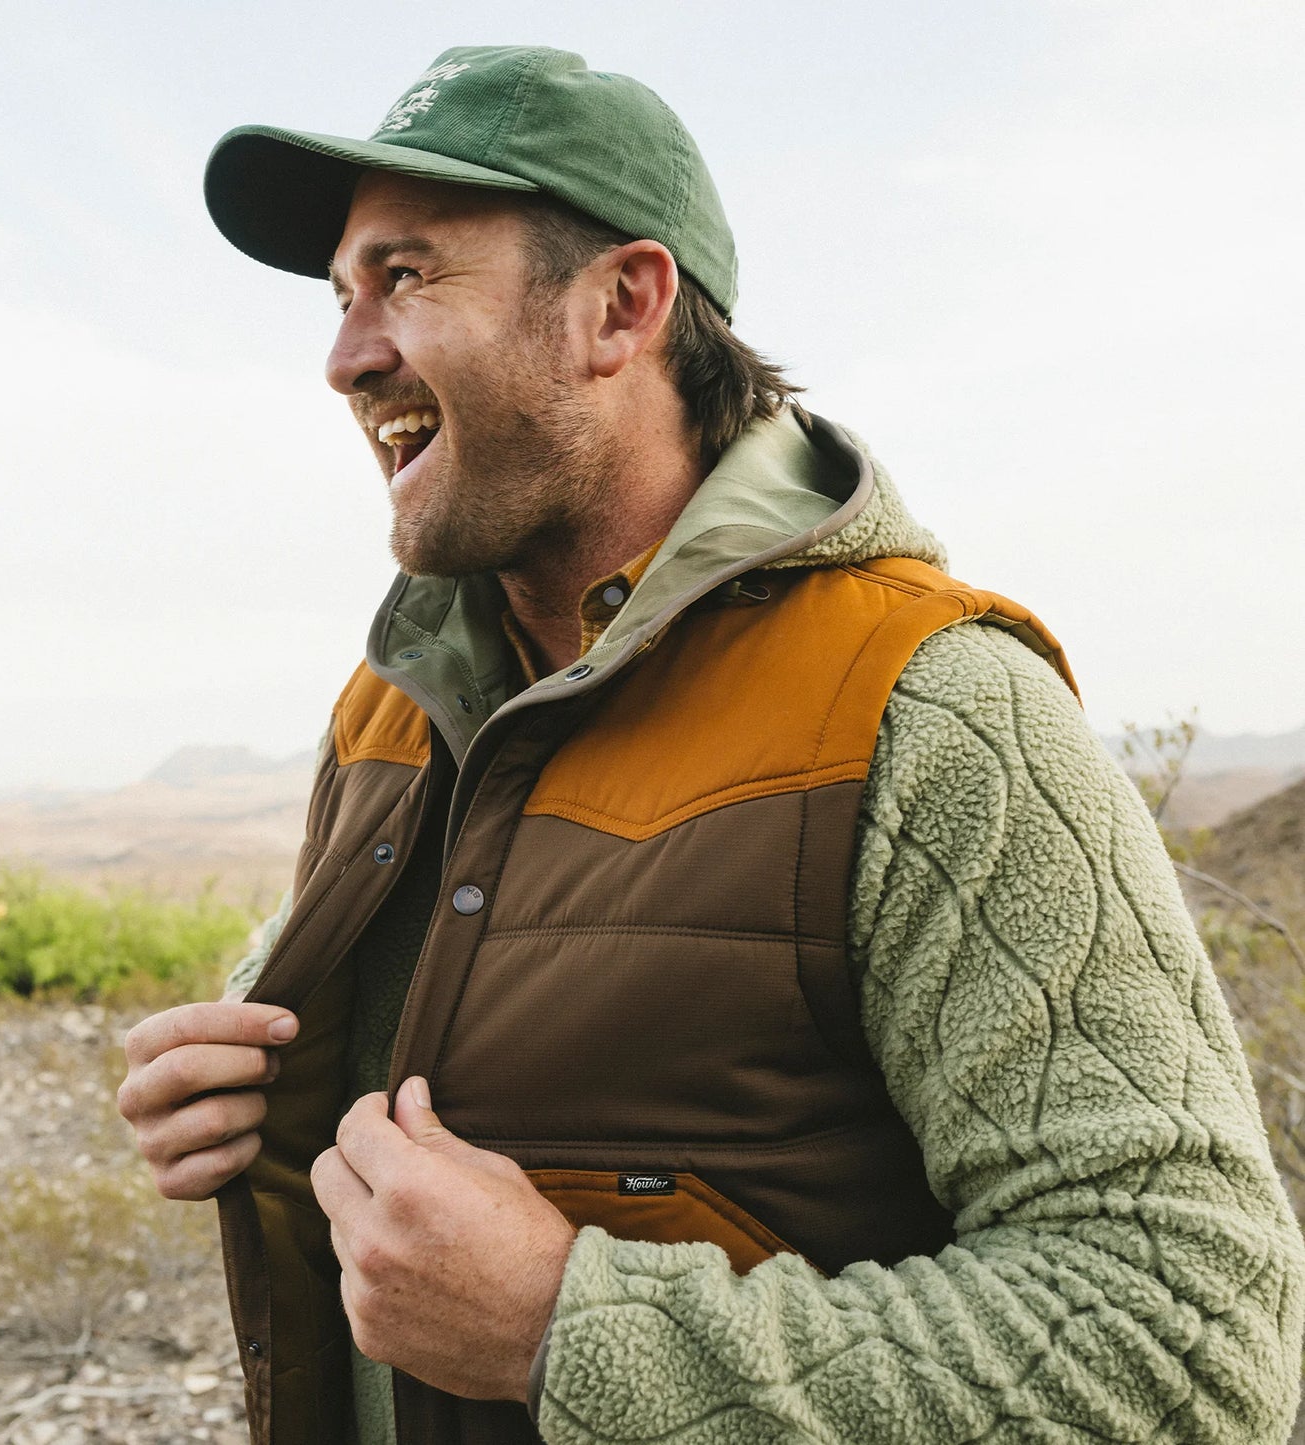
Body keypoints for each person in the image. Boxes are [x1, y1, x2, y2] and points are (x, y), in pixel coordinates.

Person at [117, 44, 1305, 1445]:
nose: (344, 356)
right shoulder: (390, 703)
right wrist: (254, 1073)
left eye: (409, 277)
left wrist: (566, 1328)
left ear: (620, 306)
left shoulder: (925, 704)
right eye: (340, 295)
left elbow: (1187, 1342)